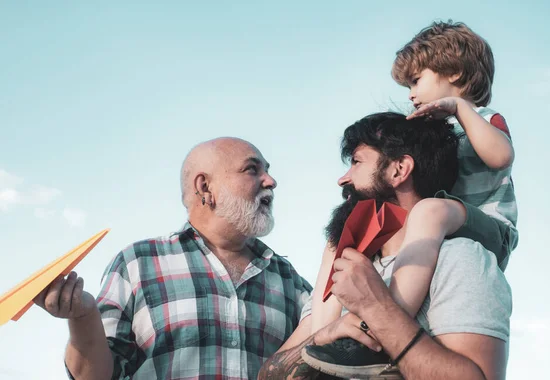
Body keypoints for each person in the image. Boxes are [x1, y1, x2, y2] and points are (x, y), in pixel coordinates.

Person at [308, 20, 519, 371]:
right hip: (445, 220)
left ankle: (382, 320)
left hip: (490, 228)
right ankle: (324, 336)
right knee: (345, 233)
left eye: (415, 81)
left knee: (428, 211)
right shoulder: (436, 129)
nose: (410, 93)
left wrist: (459, 109)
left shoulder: (482, 117)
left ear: (452, 71)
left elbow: (501, 156)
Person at [259, 112, 512, 379]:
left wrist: (376, 309)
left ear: (398, 170)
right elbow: (268, 375)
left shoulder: (459, 259)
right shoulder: (351, 270)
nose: (343, 179)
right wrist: (324, 336)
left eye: (356, 162)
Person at [34, 137, 312, 380]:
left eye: (268, 171)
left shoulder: (288, 278)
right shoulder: (137, 263)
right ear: (205, 187)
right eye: (252, 169)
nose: (271, 181)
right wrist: (83, 316)